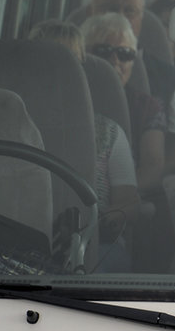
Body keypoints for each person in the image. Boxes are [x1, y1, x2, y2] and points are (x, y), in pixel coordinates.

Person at [80, 12, 175, 273]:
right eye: (103, 50)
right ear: (83, 54)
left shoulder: (147, 105)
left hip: (129, 194)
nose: (115, 60)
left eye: (125, 53)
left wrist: (117, 200)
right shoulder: (65, 100)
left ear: (134, 59)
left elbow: (152, 165)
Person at [28, 19, 140, 272]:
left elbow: (130, 202)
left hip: (90, 247)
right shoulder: (9, 121)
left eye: (69, 65)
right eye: (49, 64)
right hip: (15, 244)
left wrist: (98, 222)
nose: (57, 74)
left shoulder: (108, 131)